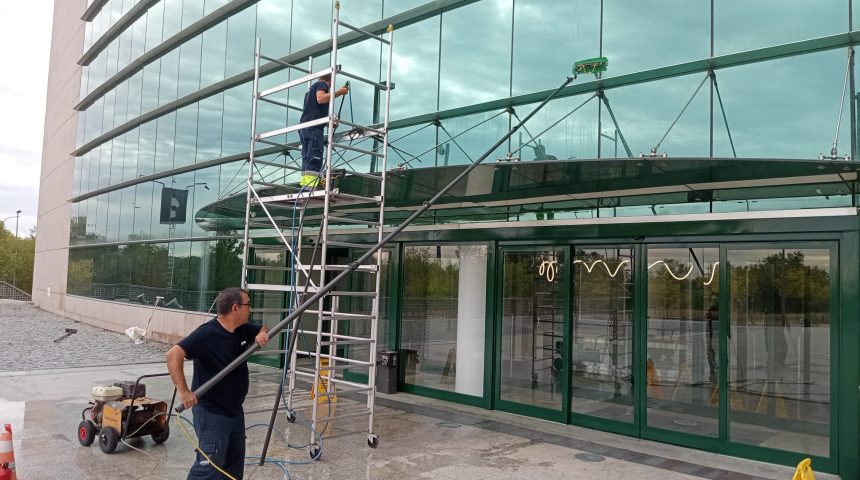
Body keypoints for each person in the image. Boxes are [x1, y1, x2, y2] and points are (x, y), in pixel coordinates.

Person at [166, 287, 269, 480]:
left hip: (235, 411)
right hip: (212, 412)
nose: (251, 309)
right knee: (209, 469)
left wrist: (260, 335)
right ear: (235, 308)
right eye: (248, 304)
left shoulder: (241, 329)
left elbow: (263, 328)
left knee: (232, 468)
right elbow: (174, 354)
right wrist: (184, 391)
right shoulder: (207, 334)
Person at [299, 72, 349, 187]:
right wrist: (339, 93)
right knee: (314, 158)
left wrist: (329, 123)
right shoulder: (322, 85)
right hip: (313, 129)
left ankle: (305, 187)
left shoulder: (309, 92)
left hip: (305, 128)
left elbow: (313, 112)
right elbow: (321, 99)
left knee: (307, 158)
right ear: (330, 81)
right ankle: (310, 188)